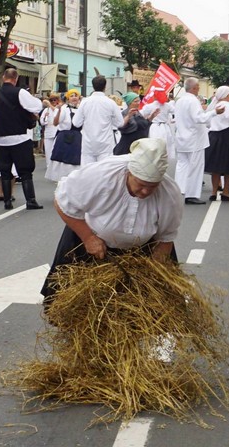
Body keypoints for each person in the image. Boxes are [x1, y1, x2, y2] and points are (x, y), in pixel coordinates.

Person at [41, 138, 181, 304]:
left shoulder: (170, 193)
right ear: (130, 172)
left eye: (152, 186)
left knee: (146, 311)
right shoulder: (101, 175)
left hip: (140, 255)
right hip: (91, 244)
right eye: (141, 184)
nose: (145, 191)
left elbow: (165, 238)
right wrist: (88, 238)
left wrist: (155, 273)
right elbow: (62, 201)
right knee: (82, 306)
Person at [0, 66, 44, 209]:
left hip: (1, 139)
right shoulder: (19, 92)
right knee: (25, 171)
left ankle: (7, 202)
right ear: (16, 79)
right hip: (19, 137)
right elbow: (36, 106)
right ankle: (31, 201)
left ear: (3, 77)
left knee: (5, 172)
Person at [173, 78, 211, 205]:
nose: (199, 89)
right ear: (194, 88)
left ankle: (179, 191)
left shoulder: (180, 101)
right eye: (198, 87)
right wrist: (214, 112)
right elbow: (199, 118)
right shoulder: (193, 101)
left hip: (182, 138)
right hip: (194, 139)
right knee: (195, 167)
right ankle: (191, 194)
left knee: (182, 166)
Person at [72, 75, 122, 164]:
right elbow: (120, 123)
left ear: (93, 86)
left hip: (88, 143)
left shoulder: (85, 102)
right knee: (104, 172)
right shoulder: (110, 103)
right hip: (105, 144)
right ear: (105, 87)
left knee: (87, 172)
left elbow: (76, 123)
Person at [45, 90, 82, 184]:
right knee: (63, 161)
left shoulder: (81, 109)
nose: (74, 98)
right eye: (72, 96)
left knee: (76, 160)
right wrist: (59, 111)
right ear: (68, 98)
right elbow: (55, 123)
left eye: (76, 96)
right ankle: (62, 183)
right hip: (64, 138)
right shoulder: (64, 108)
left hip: (77, 137)